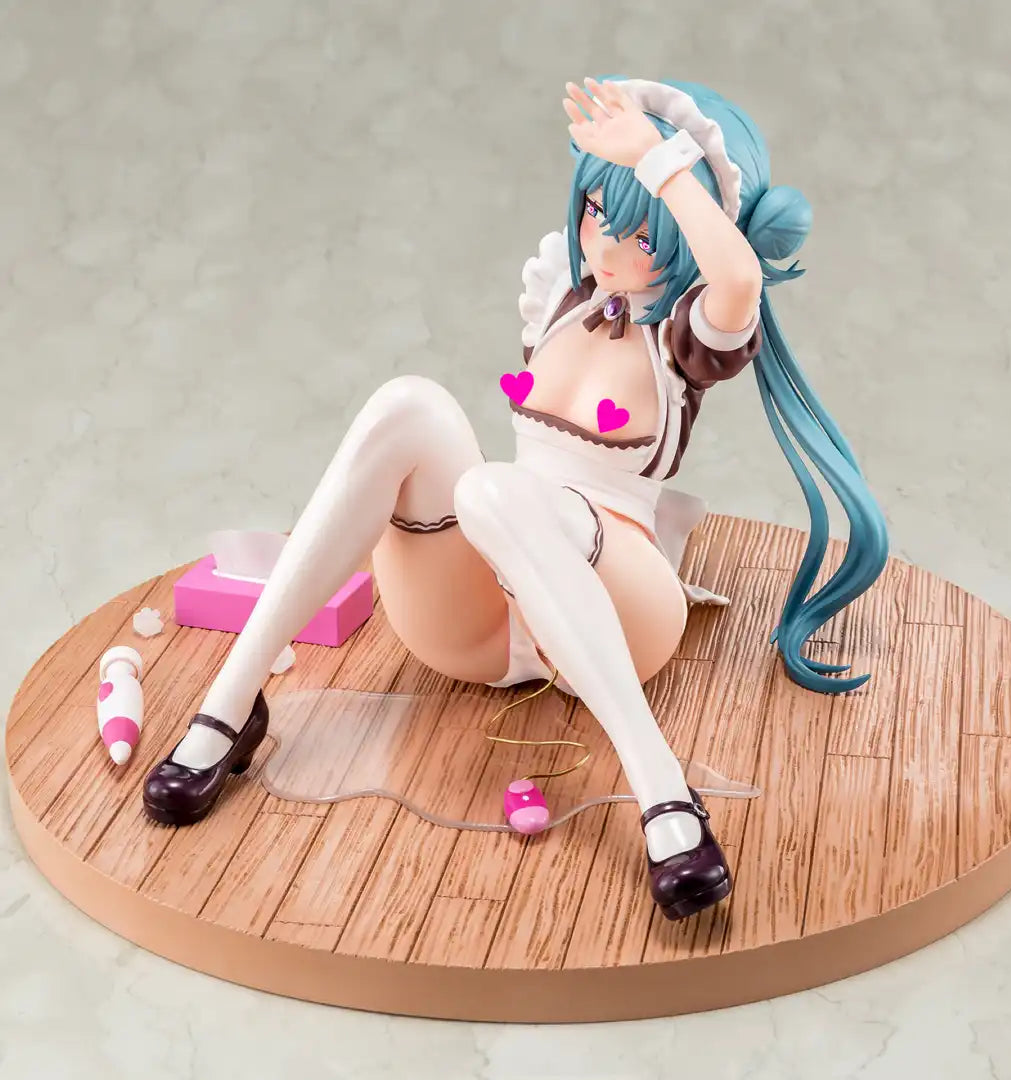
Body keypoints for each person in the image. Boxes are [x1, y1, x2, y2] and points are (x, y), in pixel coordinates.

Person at [143, 77, 888, 923]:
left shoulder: (684, 337)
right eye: (597, 212)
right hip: (482, 619)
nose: (607, 242)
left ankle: (663, 793)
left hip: (619, 599)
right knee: (408, 404)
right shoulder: (566, 298)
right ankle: (232, 703)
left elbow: (739, 277)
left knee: (495, 487)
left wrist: (660, 159)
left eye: (642, 232)